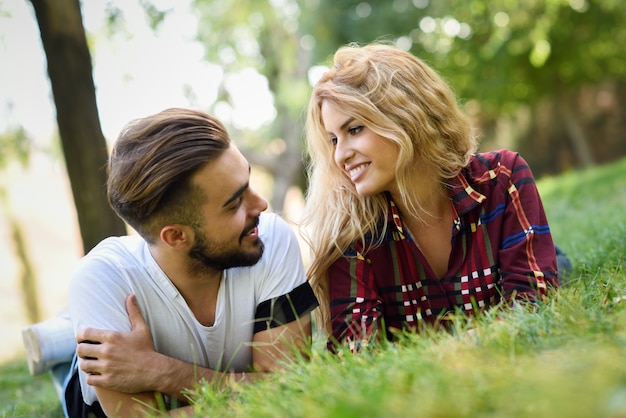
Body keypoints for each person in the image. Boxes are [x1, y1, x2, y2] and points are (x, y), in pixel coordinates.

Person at [58, 108, 318, 417]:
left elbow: (290, 390)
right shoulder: (100, 278)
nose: (260, 205)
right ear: (177, 237)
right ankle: (60, 343)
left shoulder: (267, 236)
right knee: (72, 352)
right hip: (90, 397)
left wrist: (159, 370)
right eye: (235, 202)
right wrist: (260, 392)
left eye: (249, 182)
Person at [300, 43, 559, 352]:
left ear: (405, 115)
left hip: (520, 248)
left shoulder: (501, 178)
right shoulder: (350, 230)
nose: (340, 155)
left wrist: (439, 353)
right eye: (333, 140)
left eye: (354, 129)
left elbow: (533, 303)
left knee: (559, 263)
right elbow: (355, 353)